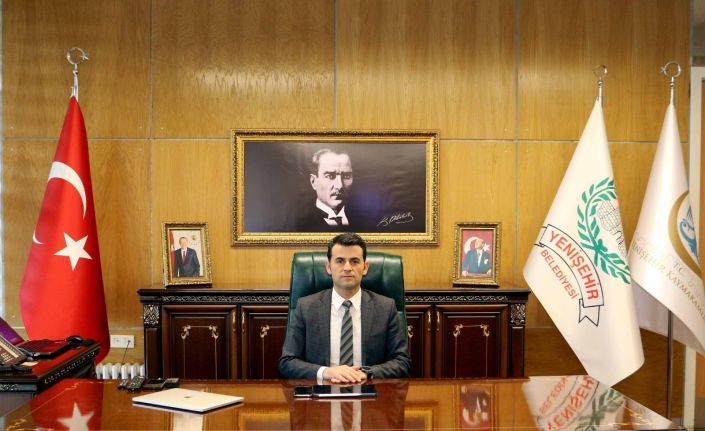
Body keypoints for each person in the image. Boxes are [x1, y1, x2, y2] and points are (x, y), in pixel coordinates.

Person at [279, 233, 410, 383]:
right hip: (322, 390)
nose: (347, 268)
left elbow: (402, 362)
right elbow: (287, 362)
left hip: (369, 390)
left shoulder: (386, 308)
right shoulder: (306, 307)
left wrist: (366, 373)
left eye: (354, 261)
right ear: (329, 267)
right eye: (340, 261)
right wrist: (326, 372)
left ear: (365, 267)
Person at [297, 148, 354, 230]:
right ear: (313, 182)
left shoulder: (364, 220)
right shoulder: (301, 225)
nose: (340, 185)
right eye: (330, 176)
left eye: (346, 176)